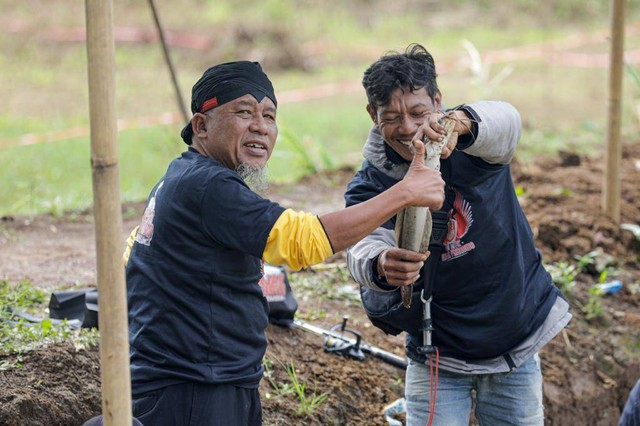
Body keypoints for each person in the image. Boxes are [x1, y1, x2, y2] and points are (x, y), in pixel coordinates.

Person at [124, 60, 445, 426]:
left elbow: (133, 254)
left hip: (209, 380)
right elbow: (299, 241)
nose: (260, 126)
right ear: (201, 125)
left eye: (269, 115)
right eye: (244, 112)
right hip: (193, 390)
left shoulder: (181, 177)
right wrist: (405, 192)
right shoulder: (208, 187)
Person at [345, 43, 572, 425]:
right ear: (372, 115)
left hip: (513, 343)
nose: (407, 128)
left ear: (437, 100)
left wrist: (463, 122)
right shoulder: (372, 184)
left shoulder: (477, 145)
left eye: (418, 112)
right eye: (391, 117)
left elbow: (507, 121)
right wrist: (382, 264)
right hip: (435, 354)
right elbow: (360, 245)